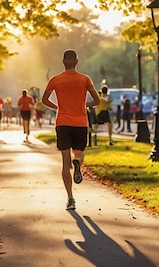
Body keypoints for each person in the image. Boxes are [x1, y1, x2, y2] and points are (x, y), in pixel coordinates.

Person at [41, 49, 100, 210]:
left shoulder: (55, 80)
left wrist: (57, 107)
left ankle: (70, 198)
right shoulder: (85, 79)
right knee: (79, 153)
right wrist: (84, 105)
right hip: (80, 123)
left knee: (65, 164)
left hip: (62, 123)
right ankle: (78, 162)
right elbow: (97, 100)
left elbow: (44, 99)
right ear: (77, 62)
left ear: (63, 62)